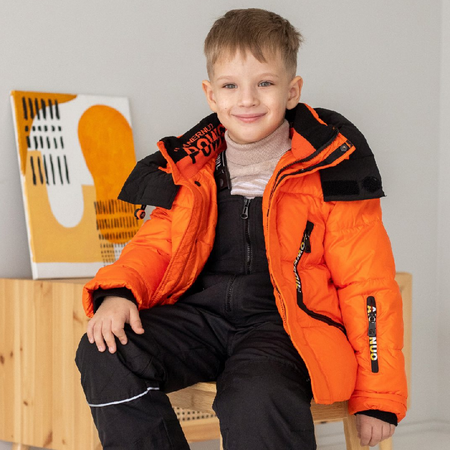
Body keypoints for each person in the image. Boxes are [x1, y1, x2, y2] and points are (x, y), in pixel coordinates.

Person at [76, 8, 407, 449]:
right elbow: (155, 246)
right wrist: (119, 293)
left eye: (264, 83)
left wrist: (378, 395)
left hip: (284, 330)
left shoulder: (330, 171)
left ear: (292, 91)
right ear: (211, 95)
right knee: (106, 348)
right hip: (201, 320)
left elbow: (367, 283)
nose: (247, 100)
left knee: (255, 396)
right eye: (231, 86)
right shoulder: (192, 169)